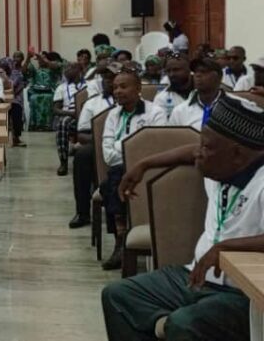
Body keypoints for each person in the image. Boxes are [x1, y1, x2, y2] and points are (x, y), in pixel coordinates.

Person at [103, 96, 264, 341]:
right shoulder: (220, 164)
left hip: (241, 293)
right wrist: (143, 164)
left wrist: (224, 248)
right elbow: (191, 151)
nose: (198, 153)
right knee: (118, 296)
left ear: (238, 154)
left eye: (206, 147)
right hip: (193, 277)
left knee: (183, 324)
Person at [100, 69, 167, 270]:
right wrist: (132, 147)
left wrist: (122, 147)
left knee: (110, 182)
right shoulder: (113, 115)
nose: (118, 91)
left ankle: (120, 240)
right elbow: (108, 155)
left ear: (138, 88)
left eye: (123, 86)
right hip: (120, 169)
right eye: (115, 87)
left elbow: (156, 148)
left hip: (148, 170)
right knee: (112, 179)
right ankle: (121, 239)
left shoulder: (155, 113)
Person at [70, 64, 119, 229]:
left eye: (112, 78)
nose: (108, 81)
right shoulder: (92, 103)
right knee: (82, 156)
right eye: (105, 78)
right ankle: (82, 212)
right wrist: (103, 141)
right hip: (98, 144)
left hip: (128, 144)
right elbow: (82, 135)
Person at [52, 63, 86, 175]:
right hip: (70, 116)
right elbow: (56, 109)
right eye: (66, 68)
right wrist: (72, 113)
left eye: (71, 68)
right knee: (62, 123)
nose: (67, 70)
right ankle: (63, 162)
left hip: (87, 115)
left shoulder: (88, 85)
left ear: (80, 70)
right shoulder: (61, 88)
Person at [153, 54, 194, 120]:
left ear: (189, 70)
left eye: (176, 70)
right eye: (168, 71)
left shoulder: (204, 93)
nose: (171, 74)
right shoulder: (161, 98)